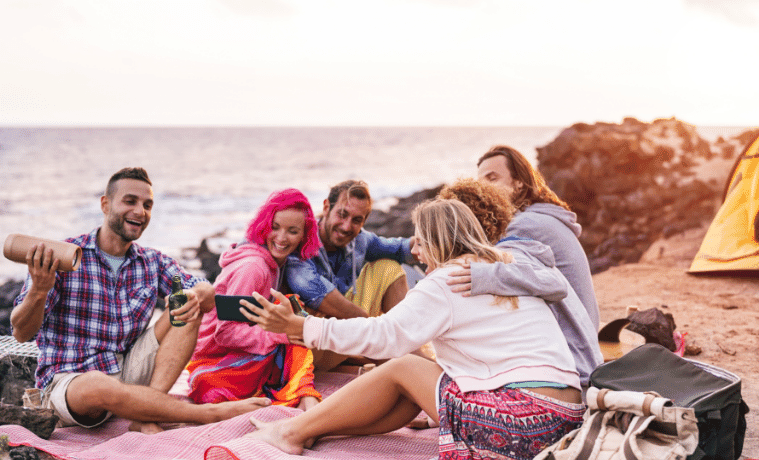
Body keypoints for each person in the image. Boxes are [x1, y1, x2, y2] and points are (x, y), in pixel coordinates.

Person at [241, 198, 585, 460]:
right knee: (415, 381)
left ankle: (290, 433)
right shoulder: (503, 268)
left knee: (404, 364)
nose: (415, 251)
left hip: (521, 423)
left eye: (419, 241)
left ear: (438, 240)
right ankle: (316, 429)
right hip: (562, 418)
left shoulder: (450, 279)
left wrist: (301, 326)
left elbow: (383, 337)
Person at [10, 167, 269, 434]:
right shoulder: (64, 256)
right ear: (105, 204)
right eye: (130, 201)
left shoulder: (151, 261)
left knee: (187, 308)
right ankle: (209, 414)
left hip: (127, 371)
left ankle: (146, 414)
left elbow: (206, 291)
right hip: (71, 384)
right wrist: (39, 291)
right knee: (97, 385)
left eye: (147, 205)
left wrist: (194, 296)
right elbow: (20, 332)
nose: (140, 211)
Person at [438, 178, 603, 388]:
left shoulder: (512, 253)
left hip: (575, 378)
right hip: (571, 374)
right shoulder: (502, 255)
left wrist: (487, 276)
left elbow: (555, 284)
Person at [187, 189, 322, 411]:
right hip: (216, 362)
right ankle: (305, 397)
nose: (281, 238)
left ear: (303, 235)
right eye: (275, 227)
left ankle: (304, 395)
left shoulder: (276, 262)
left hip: (243, 354)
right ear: (264, 225)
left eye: (293, 231)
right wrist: (281, 334)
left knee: (295, 313)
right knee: (294, 321)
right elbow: (226, 332)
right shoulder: (253, 268)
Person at [477, 145, 600, 329]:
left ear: (518, 182)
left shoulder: (522, 226)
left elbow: (498, 279)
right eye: (479, 183)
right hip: (583, 331)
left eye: (492, 178)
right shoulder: (539, 215)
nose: (482, 189)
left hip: (569, 341)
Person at [285, 179, 415, 319]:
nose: (346, 226)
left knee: (389, 268)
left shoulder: (360, 239)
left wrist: (433, 238)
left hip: (350, 319)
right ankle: (388, 335)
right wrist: (371, 326)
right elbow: (314, 290)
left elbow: (401, 248)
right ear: (326, 207)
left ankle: (406, 334)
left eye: (356, 220)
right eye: (342, 214)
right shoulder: (301, 240)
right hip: (312, 325)